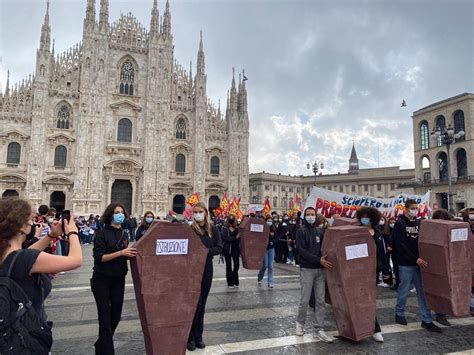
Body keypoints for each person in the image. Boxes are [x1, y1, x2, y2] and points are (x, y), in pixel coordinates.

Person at [0, 198, 82, 353]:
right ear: (21, 227)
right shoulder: (26, 260)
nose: (34, 224)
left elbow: (26, 254)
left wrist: (50, 236)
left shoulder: (7, 255)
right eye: (30, 220)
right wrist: (73, 232)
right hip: (26, 336)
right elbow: (75, 260)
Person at [91, 203, 137, 355]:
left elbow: (127, 254)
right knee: (104, 320)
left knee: (115, 317)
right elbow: (99, 258)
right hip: (101, 280)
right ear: (110, 215)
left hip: (118, 279)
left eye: (122, 212)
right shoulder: (101, 234)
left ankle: (101, 345)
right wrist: (121, 253)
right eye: (117, 212)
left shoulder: (124, 234)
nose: (120, 215)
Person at [394, 199, 441, 333]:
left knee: (422, 292)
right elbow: (400, 245)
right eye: (413, 208)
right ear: (406, 209)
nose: (415, 210)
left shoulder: (419, 222)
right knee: (404, 290)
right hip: (406, 263)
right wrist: (415, 259)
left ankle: (426, 320)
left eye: (417, 208)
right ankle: (399, 313)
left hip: (419, 263)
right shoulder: (399, 223)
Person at [295, 207, 334, 343]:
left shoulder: (319, 231)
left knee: (320, 300)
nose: (311, 216)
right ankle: (300, 324)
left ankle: (319, 328)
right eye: (308, 214)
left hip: (320, 270)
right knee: (305, 300)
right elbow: (301, 250)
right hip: (307, 269)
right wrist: (318, 260)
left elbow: (325, 247)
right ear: (305, 216)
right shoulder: (300, 231)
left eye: (313, 214)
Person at [187, 202, 222, 351]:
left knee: (202, 305)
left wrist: (204, 253)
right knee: (194, 304)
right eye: (195, 212)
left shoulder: (213, 229)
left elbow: (219, 247)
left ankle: (198, 336)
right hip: (192, 270)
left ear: (206, 213)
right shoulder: (190, 229)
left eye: (200, 212)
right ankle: (189, 338)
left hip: (206, 268)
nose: (197, 214)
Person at [355, 207, 391, 342]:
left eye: (367, 216)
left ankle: (375, 329)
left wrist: (386, 270)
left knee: (369, 300)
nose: (364, 218)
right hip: (357, 270)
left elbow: (382, 252)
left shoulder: (378, 232)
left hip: (373, 270)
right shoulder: (355, 231)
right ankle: (359, 328)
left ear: (372, 218)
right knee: (357, 300)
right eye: (362, 216)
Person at [221, 215, 240, 289]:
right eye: (230, 220)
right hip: (227, 249)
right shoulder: (224, 228)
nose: (232, 222)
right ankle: (230, 282)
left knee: (237, 265)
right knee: (228, 266)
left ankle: (235, 279)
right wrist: (235, 237)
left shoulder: (237, 228)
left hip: (235, 249)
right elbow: (225, 238)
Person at [257, 217, 276, 288]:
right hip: (264, 249)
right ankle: (260, 276)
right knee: (265, 265)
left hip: (271, 249)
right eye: (268, 221)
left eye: (271, 221)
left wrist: (273, 241)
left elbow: (276, 238)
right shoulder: (262, 228)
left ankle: (270, 282)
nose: (270, 222)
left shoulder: (273, 229)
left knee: (270, 266)